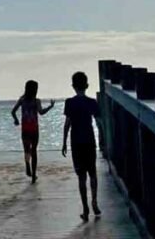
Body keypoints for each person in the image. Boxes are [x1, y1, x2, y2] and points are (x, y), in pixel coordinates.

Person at [62, 70, 101, 221]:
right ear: (87, 85)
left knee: (81, 177)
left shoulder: (69, 103)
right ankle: (95, 201)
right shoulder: (92, 102)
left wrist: (64, 142)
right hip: (90, 141)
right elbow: (99, 123)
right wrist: (103, 138)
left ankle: (85, 208)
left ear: (73, 86)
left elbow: (67, 124)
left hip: (76, 142)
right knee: (93, 173)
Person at [11, 79, 55, 182]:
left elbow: (13, 111)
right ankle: (34, 175)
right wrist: (50, 107)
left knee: (27, 150)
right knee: (34, 151)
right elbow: (41, 112)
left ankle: (27, 165)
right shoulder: (36, 101)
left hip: (25, 128)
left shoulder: (22, 100)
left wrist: (16, 120)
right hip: (34, 129)